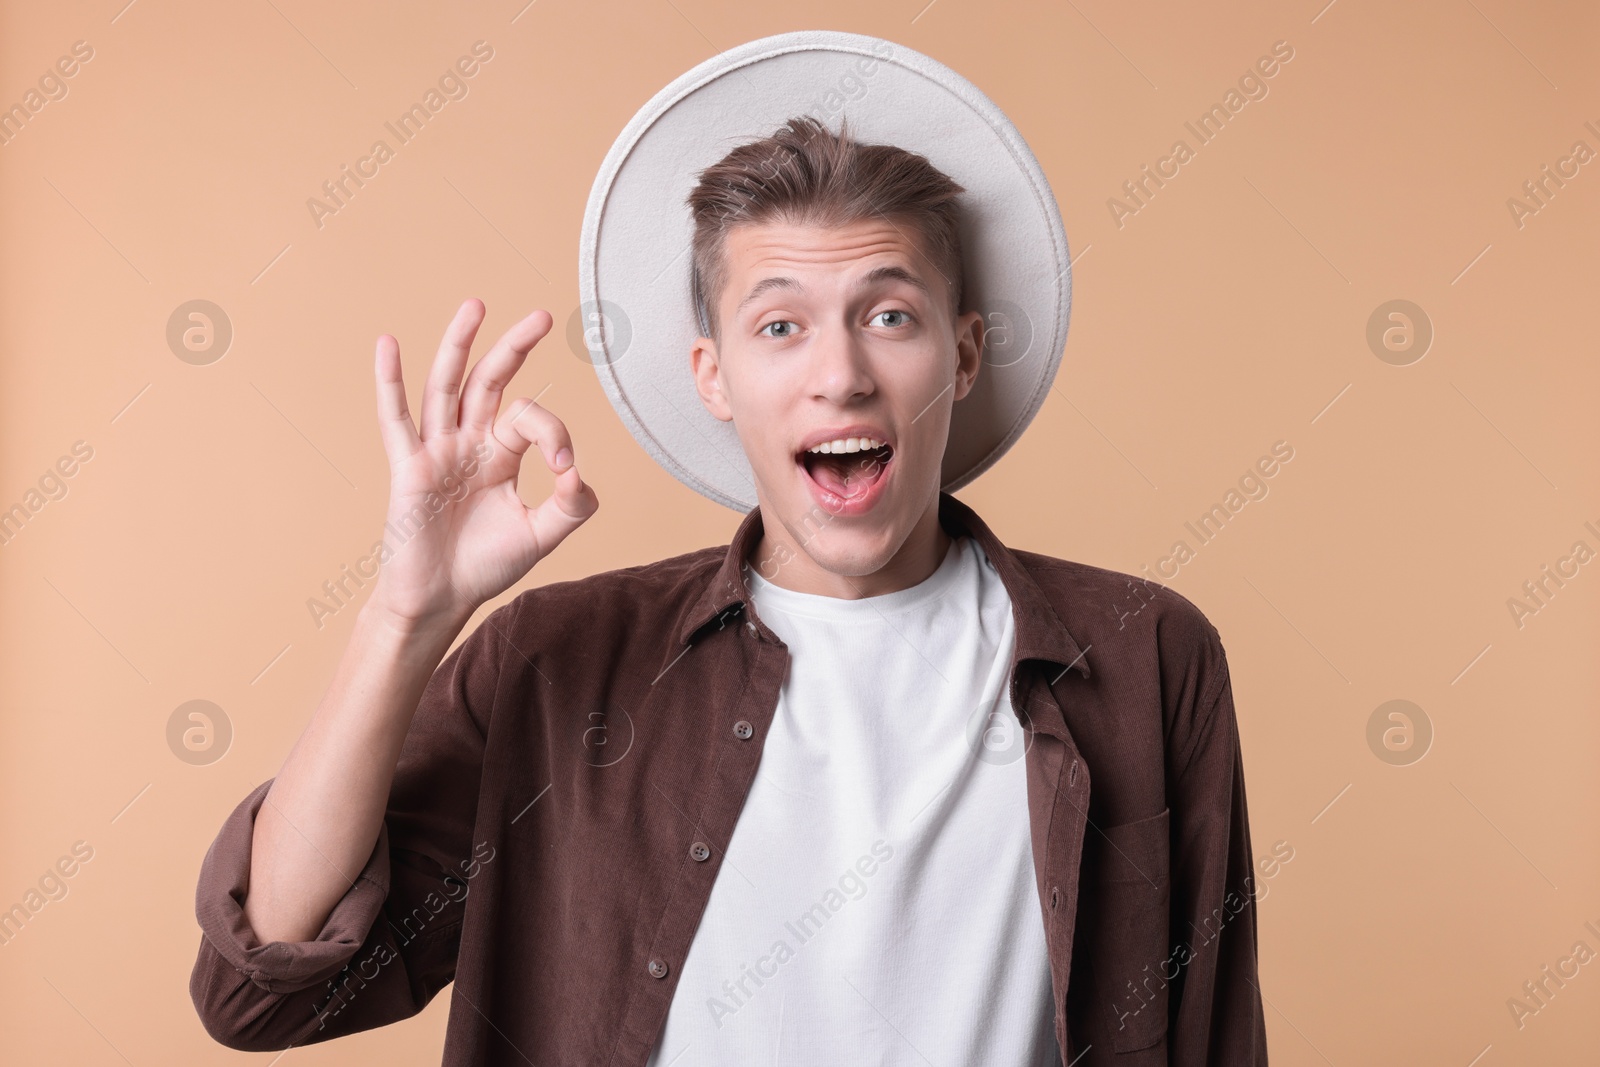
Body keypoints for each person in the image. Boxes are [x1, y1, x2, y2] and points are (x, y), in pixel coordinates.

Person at [189, 32, 1266, 1067]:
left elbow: (1211, 1031)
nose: (839, 373)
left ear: (965, 351)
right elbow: (263, 987)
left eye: (889, 315)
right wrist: (402, 621)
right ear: (714, 375)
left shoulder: (1143, 656)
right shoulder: (554, 663)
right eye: (780, 325)